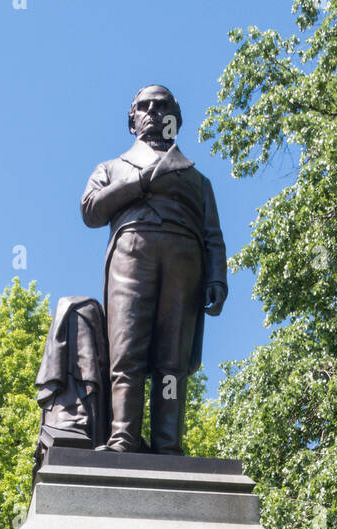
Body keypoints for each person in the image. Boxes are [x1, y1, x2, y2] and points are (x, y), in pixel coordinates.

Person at [80, 85, 228, 454]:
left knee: (172, 360)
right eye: (143, 107)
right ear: (132, 121)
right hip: (131, 254)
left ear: (174, 120)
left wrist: (216, 277)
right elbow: (91, 211)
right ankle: (123, 438)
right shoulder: (112, 168)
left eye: (162, 107)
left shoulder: (197, 179)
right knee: (126, 350)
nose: (153, 113)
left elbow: (213, 234)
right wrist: (139, 182)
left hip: (184, 263)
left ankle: (168, 445)